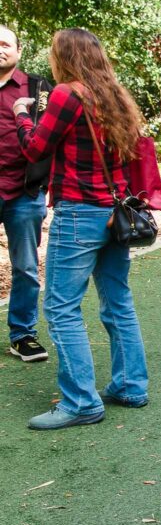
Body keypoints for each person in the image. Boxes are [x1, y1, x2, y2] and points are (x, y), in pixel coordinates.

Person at [14, 28, 150, 430]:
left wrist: (22, 114)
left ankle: (80, 402)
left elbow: (35, 148)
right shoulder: (114, 95)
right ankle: (130, 386)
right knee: (118, 302)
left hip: (79, 212)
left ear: (64, 57)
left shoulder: (66, 93)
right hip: (115, 213)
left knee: (60, 308)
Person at [0, 25, 52, 362]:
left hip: (23, 192)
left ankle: (22, 334)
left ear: (19, 50)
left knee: (26, 267)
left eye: (5, 43)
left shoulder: (39, 89)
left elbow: (50, 137)